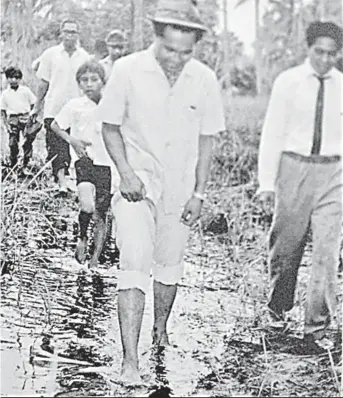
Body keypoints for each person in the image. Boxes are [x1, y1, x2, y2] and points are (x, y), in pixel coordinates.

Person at [98, 0, 225, 384]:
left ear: (195, 47)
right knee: (134, 260)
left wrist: (200, 194)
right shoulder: (127, 69)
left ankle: (160, 331)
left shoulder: (203, 78)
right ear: (156, 37)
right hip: (138, 183)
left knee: (169, 265)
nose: (176, 58)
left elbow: (207, 141)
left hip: (181, 189)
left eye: (185, 52)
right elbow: (109, 126)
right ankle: (130, 362)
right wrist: (126, 173)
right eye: (169, 49)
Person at [258, 21, 343, 353]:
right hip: (294, 168)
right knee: (286, 248)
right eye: (318, 52)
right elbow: (272, 133)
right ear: (308, 50)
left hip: (333, 172)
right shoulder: (288, 82)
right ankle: (277, 310)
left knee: (326, 252)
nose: (324, 59)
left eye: (332, 54)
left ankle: (317, 326)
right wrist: (267, 183)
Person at [51, 61, 113, 269]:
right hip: (84, 159)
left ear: (103, 81)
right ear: (78, 83)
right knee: (87, 204)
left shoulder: (111, 105)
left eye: (94, 79)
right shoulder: (75, 105)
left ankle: (95, 258)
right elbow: (55, 125)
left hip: (107, 162)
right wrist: (73, 141)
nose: (89, 84)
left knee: (101, 212)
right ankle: (82, 237)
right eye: (84, 80)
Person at [31, 19, 90, 196]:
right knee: (57, 147)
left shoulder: (85, 57)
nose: (70, 35)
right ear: (61, 34)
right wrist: (37, 106)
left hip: (79, 110)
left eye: (73, 32)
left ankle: (80, 184)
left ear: (78, 34)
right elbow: (43, 83)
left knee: (79, 146)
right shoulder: (50, 54)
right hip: (54, 108)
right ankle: (62, 184)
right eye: (67, 31)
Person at [0, 66, 37, 169]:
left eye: (16, 78)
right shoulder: (5, 94)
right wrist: (5, 125)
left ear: (20, 79)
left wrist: (32, 117)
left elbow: (34, 103)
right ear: (7, 78)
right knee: (12, 143)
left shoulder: (25, 91)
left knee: (27, 141)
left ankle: (26, 163)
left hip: (25, 116)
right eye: (11, 77)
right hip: (12, 118)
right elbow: (2, 111)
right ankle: (13, 163)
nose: (14, 80)